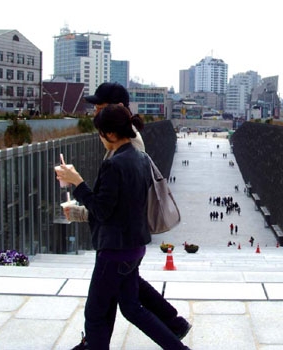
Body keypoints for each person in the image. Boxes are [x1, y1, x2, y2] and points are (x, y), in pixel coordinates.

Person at [57, 104, 189, 349]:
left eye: (101, 133)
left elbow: (102, 210)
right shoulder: (140, 157)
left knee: (95, 314)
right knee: (131, 308)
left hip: (115, 251)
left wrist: (78, 183)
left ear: (111, 134)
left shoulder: (114, 164)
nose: (100, 138)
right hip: (134, 247)